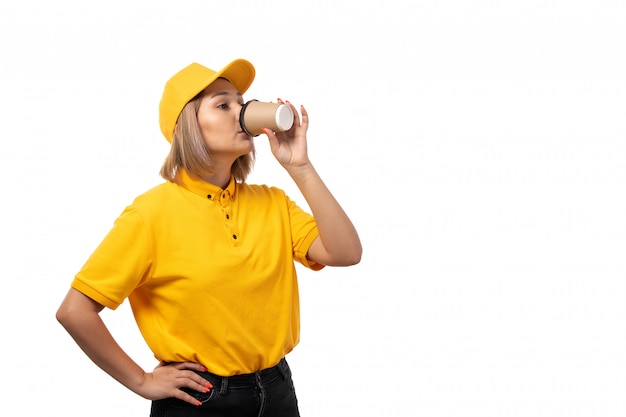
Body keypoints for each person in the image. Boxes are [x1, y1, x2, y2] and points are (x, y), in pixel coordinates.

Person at [55, 58, 362, 417]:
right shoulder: (151, 214)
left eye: (242, 102)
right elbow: (75, 311)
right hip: (200, 399)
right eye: (223, 104)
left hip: (278, 390)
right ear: (189, 126)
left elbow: (346, 253)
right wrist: (141, 381)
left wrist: (301, 168)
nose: (242, 112)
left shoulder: (272, 202)